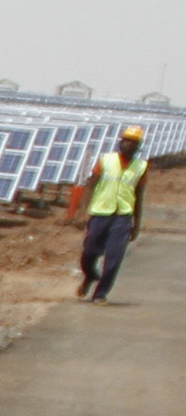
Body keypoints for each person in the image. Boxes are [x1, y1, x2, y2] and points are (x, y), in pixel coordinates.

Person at [69, 126, 148, 303]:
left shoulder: (141, 167)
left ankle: (101, 293)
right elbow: (91, 185)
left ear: (138, 146)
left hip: (123, 216)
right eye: (126, 140)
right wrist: (83, 211)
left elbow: (139, 196)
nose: (128, 145)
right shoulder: (106, 160)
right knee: (89, 253)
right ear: (120, 142)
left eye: (133, 142)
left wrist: (137, 224)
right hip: (100, 212)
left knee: (114, 257)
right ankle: (90, 276)